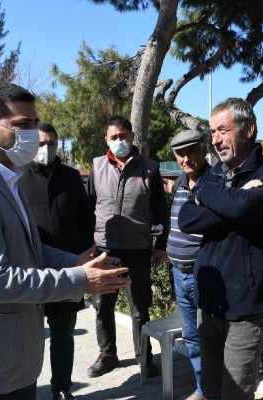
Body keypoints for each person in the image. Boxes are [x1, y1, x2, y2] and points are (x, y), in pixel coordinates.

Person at [0, 82, 130, 399]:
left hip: (14, 356)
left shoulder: (7, 177)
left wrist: (74, 262)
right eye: (23, 125)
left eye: (35, 123)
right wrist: (79, 280)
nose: (34, 134)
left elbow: (26, 246)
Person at [178, 98, 263, 400]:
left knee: (234, 394)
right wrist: (233, 197)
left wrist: (208, 195)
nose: (215, 140)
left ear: (248, 129)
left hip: (246, 308)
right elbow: (187, 219)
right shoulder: (214, 174)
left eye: (222, 130)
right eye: (212, 132)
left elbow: (243, 209)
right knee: (210, 390)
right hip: (208, 303)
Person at [86, 115, 169, 378]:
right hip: (105, 251)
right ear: (106, 139)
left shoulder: (150, 168)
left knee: (140, 311)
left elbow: (160, 210)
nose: (119, 141)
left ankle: (145, 359)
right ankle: (108, 355)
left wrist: (161, 245)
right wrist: (89, 247)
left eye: (123, 136)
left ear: (132, 136)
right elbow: (88, 208)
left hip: (138, 250)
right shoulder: (97, 166)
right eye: (114, 137)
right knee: (102, 308)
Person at [18, 123, 95, 400]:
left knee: (63, 333)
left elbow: (86, 218)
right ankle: (23, 386)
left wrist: (82, 255)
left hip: (67, 268)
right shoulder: (17, 176)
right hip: (30, 269)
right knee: (27, 334)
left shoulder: (71, 176)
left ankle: (61, 387)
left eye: (51, 143)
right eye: (40, 143)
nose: (46, 148)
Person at [166, 129, 210, 400]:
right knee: (192, 336)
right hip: (179, 274)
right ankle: (202, 389)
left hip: (203, 275)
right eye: (180, 154)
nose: (186, 159)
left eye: (191, 151)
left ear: (204, 150)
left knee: (211, 336)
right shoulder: (179, 183)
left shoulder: (214, 182)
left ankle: (215, 388)